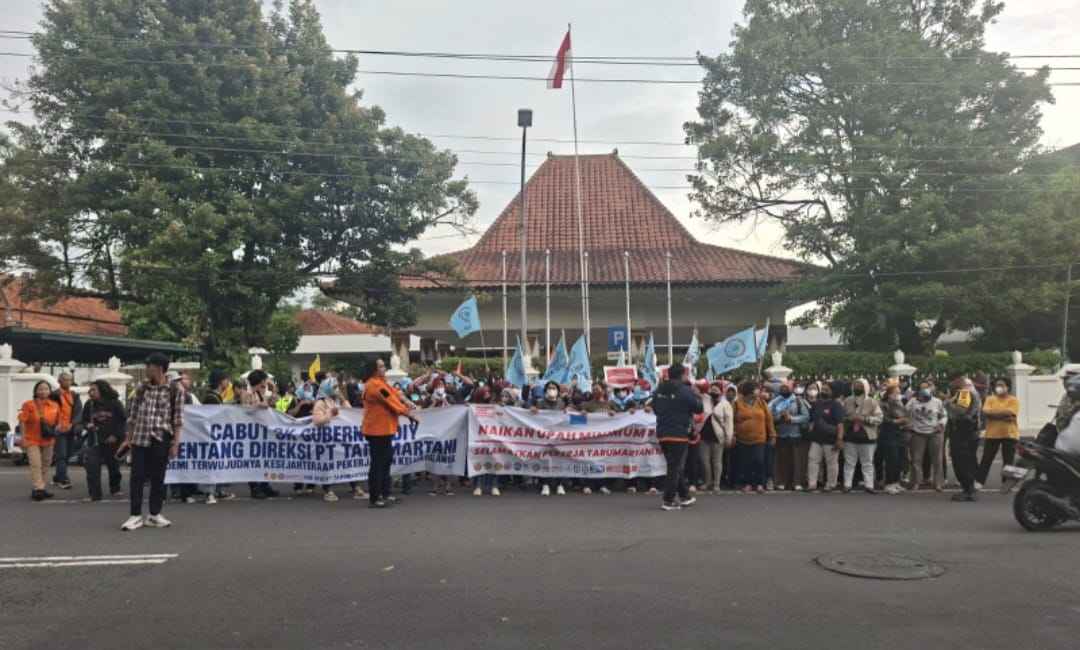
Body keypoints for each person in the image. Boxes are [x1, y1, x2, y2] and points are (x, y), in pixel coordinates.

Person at [118, 352, 184, 531]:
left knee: (158, 477)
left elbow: (178, 419)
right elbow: (132, 416)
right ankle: (135, 515)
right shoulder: (141, 388)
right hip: (140, 437)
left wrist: (175, 443)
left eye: (149, 366)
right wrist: (128, 439)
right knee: (137, 476)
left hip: (161, 437)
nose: (146, 369)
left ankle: (155, 514)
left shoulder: (175, 389)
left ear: (159, 368)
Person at [362, 358, 418, 508]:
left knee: (385, 462)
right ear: (374, 370)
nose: (384, 368)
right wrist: (408, 413)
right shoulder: (374, 385)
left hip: (384, 430)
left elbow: (394, 393)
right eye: (381, 366)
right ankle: (375, 498)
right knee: (378, 464)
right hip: (377, 431)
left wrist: (406, 401)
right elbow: (391, 400)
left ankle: (385, 494)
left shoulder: (381, 383)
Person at [651, 363, 703, 511]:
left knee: (674, 466)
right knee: (674, 467)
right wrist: (697, 395)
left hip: (663, 432)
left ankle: (685, 496)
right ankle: (668, 500)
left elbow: (655, 408)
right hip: (679, 433)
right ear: (682, 375)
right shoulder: (685, 390)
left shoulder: (659, 389)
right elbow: (698, 408)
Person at [80, 380, 126, 502]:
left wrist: (115, 435)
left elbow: (122, 421)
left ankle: (115, 488)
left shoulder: (115, 403)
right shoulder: (89, 404)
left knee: (113, 466)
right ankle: (95, 494)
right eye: (90, 390)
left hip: (112, 440)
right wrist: (87, 425)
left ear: (102, 390)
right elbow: (83, 420)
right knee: (92, 467)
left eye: (93, 390)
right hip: (94, 440)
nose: (90, 392)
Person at [18, 380, 61, 501]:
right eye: (40, 389)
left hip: (48, 440)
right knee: (36, 464)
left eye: (46, 389)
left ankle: (40, 487)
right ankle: (39, 488)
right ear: (36, 391)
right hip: (32, 440)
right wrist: (23, 438)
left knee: (46, 465)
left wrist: (58, 428)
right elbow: (22, 421)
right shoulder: (28, 404)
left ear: (50, 391)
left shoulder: (54, 405)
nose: (43, 391)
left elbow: (58, 422)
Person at [199, 369, 235, 503]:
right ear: (221, 381)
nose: (228, 382)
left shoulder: (215, 397)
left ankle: (217, 490)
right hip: (211, 436)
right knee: (212, 464)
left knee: (218, 464)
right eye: (226, 379)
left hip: (217, 435)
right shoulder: (211, 398)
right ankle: (209, 493)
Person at [978, 377, 1020, 491]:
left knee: (1008, 461)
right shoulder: (990, 399)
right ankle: (979, 481)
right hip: (992, 434)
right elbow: (986, 412)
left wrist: (993, 415)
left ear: (1008, 387)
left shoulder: (1013, 400)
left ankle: (1006, 484)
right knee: (986, 459)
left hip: (1010, 434)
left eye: (1001, 385)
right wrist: (1003, 415)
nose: (999, 387)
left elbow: (1011, 413)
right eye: (997, 385)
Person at [242, 369, 279, 500]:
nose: (265, 382)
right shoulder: (247, 394)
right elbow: (245, 409)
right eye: (264, 380)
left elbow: (272, 402)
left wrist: (273, 389)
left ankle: (264, 485)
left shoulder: (259, 393)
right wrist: (259, 405)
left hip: (261, 430)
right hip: (250, 431)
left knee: (263, 459)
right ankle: (254, 487)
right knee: (252, 459)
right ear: (260, 381)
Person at [842, 378, 883, 494]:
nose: (857, 388)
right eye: (855, 385)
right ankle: (847, 485)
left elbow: (879, 418)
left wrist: (865, 419)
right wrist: (849, 419)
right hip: (850, 436)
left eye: (860, 386)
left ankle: (869, 485)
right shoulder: (847, 401)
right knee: (849, 462)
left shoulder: (872, 402)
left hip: (867, 436)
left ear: (865, 387)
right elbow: (842, 417)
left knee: (867, 462)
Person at [907, 380, 948, 492]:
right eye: (922, 388)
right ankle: (916, 482)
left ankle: (938, 483)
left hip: (934, 433)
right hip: (918, 433)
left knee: (937, 459)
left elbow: (944, 415)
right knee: (916, 459)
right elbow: (905, 413)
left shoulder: (937, 401)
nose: (924, 390)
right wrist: (909, 423)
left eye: (926, 387)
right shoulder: (912, 401)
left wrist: (941, 424)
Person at [769, 381, 811, 491]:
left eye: (786, 387)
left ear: (791, 389)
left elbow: (806, 417)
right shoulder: (775, 402)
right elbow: (770, 416)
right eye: (782, 387)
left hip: (795, 434)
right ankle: (782, 482)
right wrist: (780, 416)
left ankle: (797, 482)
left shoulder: (798, 401)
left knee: (797, 460)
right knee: (782, 460)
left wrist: (791, 419)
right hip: (781, 434)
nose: (784, 389)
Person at [946, 376, 982, 502]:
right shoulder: (972, 393)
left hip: (963, 433)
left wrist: (948, 403)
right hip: (969, 432)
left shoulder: (964, 393)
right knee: (968, 461)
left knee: (962, 462)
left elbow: (960, 411)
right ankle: (969, 489)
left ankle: (968, 490)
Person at [531, 380, 569, 496]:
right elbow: (531, 414)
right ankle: (545, 484)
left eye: (554, 388)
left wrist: (569, 410)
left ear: (558, 391)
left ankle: (560, 484)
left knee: (560, 459)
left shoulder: (562, 403)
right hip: (545, 436)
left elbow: (569, 417)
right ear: (545, 390)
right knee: (545, 460)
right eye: (549, 388)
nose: (551, 390)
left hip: (559, 436)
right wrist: (532, 409)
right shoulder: (540, 403)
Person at [807, 381, 845, 493]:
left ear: (832, 392)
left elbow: (840, 424)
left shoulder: (836, 405)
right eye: (823, 389)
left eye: (826, 390)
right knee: (813, 460)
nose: (823, 391)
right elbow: (812, 419)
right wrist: (811, 428)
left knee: (831, 463)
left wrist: (839, 439)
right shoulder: (816, 404)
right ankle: (812, 484)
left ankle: (831, 484)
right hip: (816, 439)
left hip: (831, 439)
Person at [698, 382, 734, 493]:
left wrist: (729, 437)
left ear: (721, 391)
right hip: (704, 435)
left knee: (717, 461)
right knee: (704, 460)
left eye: (716, 389)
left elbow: (729, 422)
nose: (713, 391)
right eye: (712, 389)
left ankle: (716, 484)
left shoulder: (725, 404)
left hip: (718, 436)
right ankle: (708, 481)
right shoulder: (705, 400)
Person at [50, 372, 82, 490]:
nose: (68, 382)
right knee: (62, 455)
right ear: (59, 381)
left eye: (69, 380)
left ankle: (57, 477)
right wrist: (56, 425)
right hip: (59, 430)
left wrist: (72, 424)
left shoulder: (74, 395)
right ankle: (63, 479)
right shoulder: (53, 395)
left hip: (71, 429)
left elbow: (78, 411)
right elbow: (50, 411)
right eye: (65, 380)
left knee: (68, 454)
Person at [879, 383, 909, 495]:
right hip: (888, 434)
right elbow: (883, 419)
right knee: (892, 459)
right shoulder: (883, 404)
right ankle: (889, 483)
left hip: (900, 434)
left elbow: (906, 416)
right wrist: (897, 421)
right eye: (895, 393)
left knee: (900, 459)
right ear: (889, 394)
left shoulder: (900, 403)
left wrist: (905, 421)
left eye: (899, 393)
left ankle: (896, 482)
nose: (897, 395)